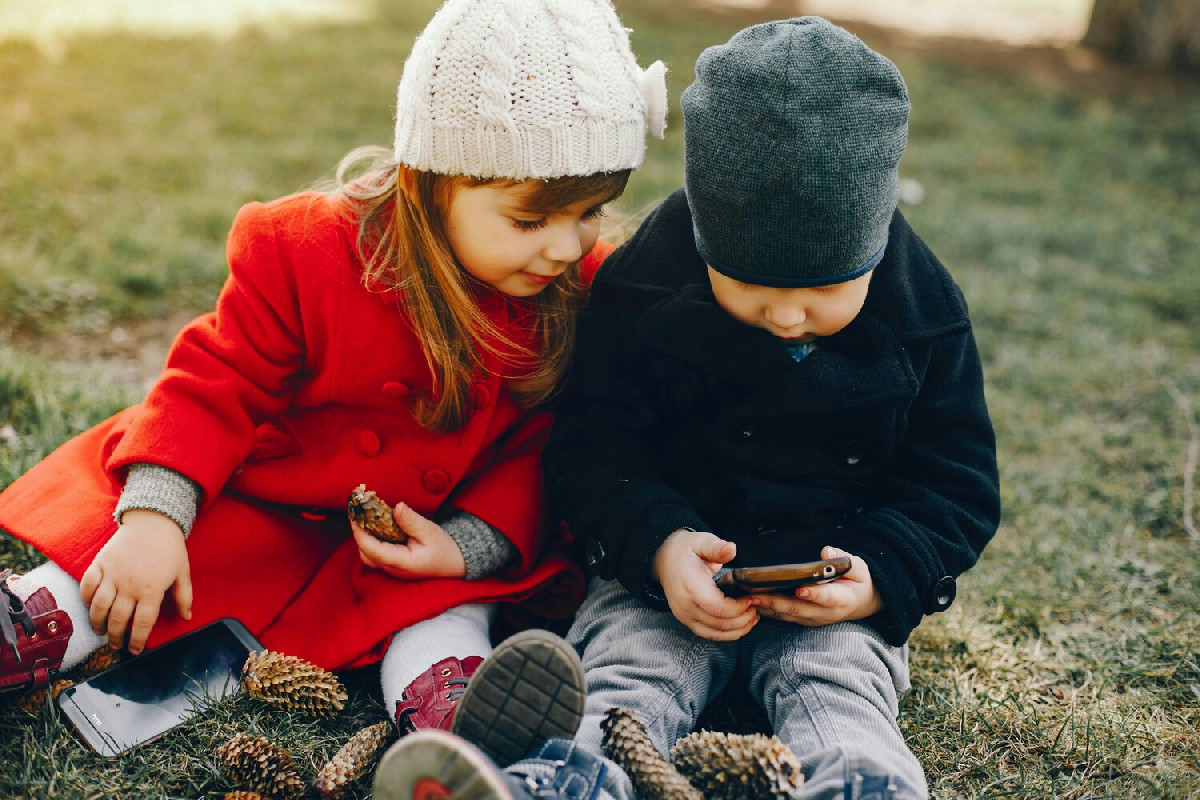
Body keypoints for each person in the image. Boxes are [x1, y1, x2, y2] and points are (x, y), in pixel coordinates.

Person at [0, 0, 667, 752]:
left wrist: (467, 546)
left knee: (442, 610)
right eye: (529, 219)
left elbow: (546, 444)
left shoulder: (576, 290)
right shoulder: (306, 251)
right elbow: (217, 381)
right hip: (265, 503)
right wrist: (156, 517)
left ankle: (453, 702)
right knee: (130, 569)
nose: (563, 245)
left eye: (590, 212)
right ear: (430, 182)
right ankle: (35, 619)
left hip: (426, 541)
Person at [373, 16, 1000, 800]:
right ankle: (569, 783)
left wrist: (877, 577)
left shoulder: (924, 313)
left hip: (832, 586)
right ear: (705, 242)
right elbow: (595, 448)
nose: (788, 318)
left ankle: (864, 786)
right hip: (663, 576)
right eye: (755, 292)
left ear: (872, 248)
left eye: (824, 292)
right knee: (627, 673)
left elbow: (957, 482)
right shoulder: (640, 290)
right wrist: (661, 547)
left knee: (841, 690)